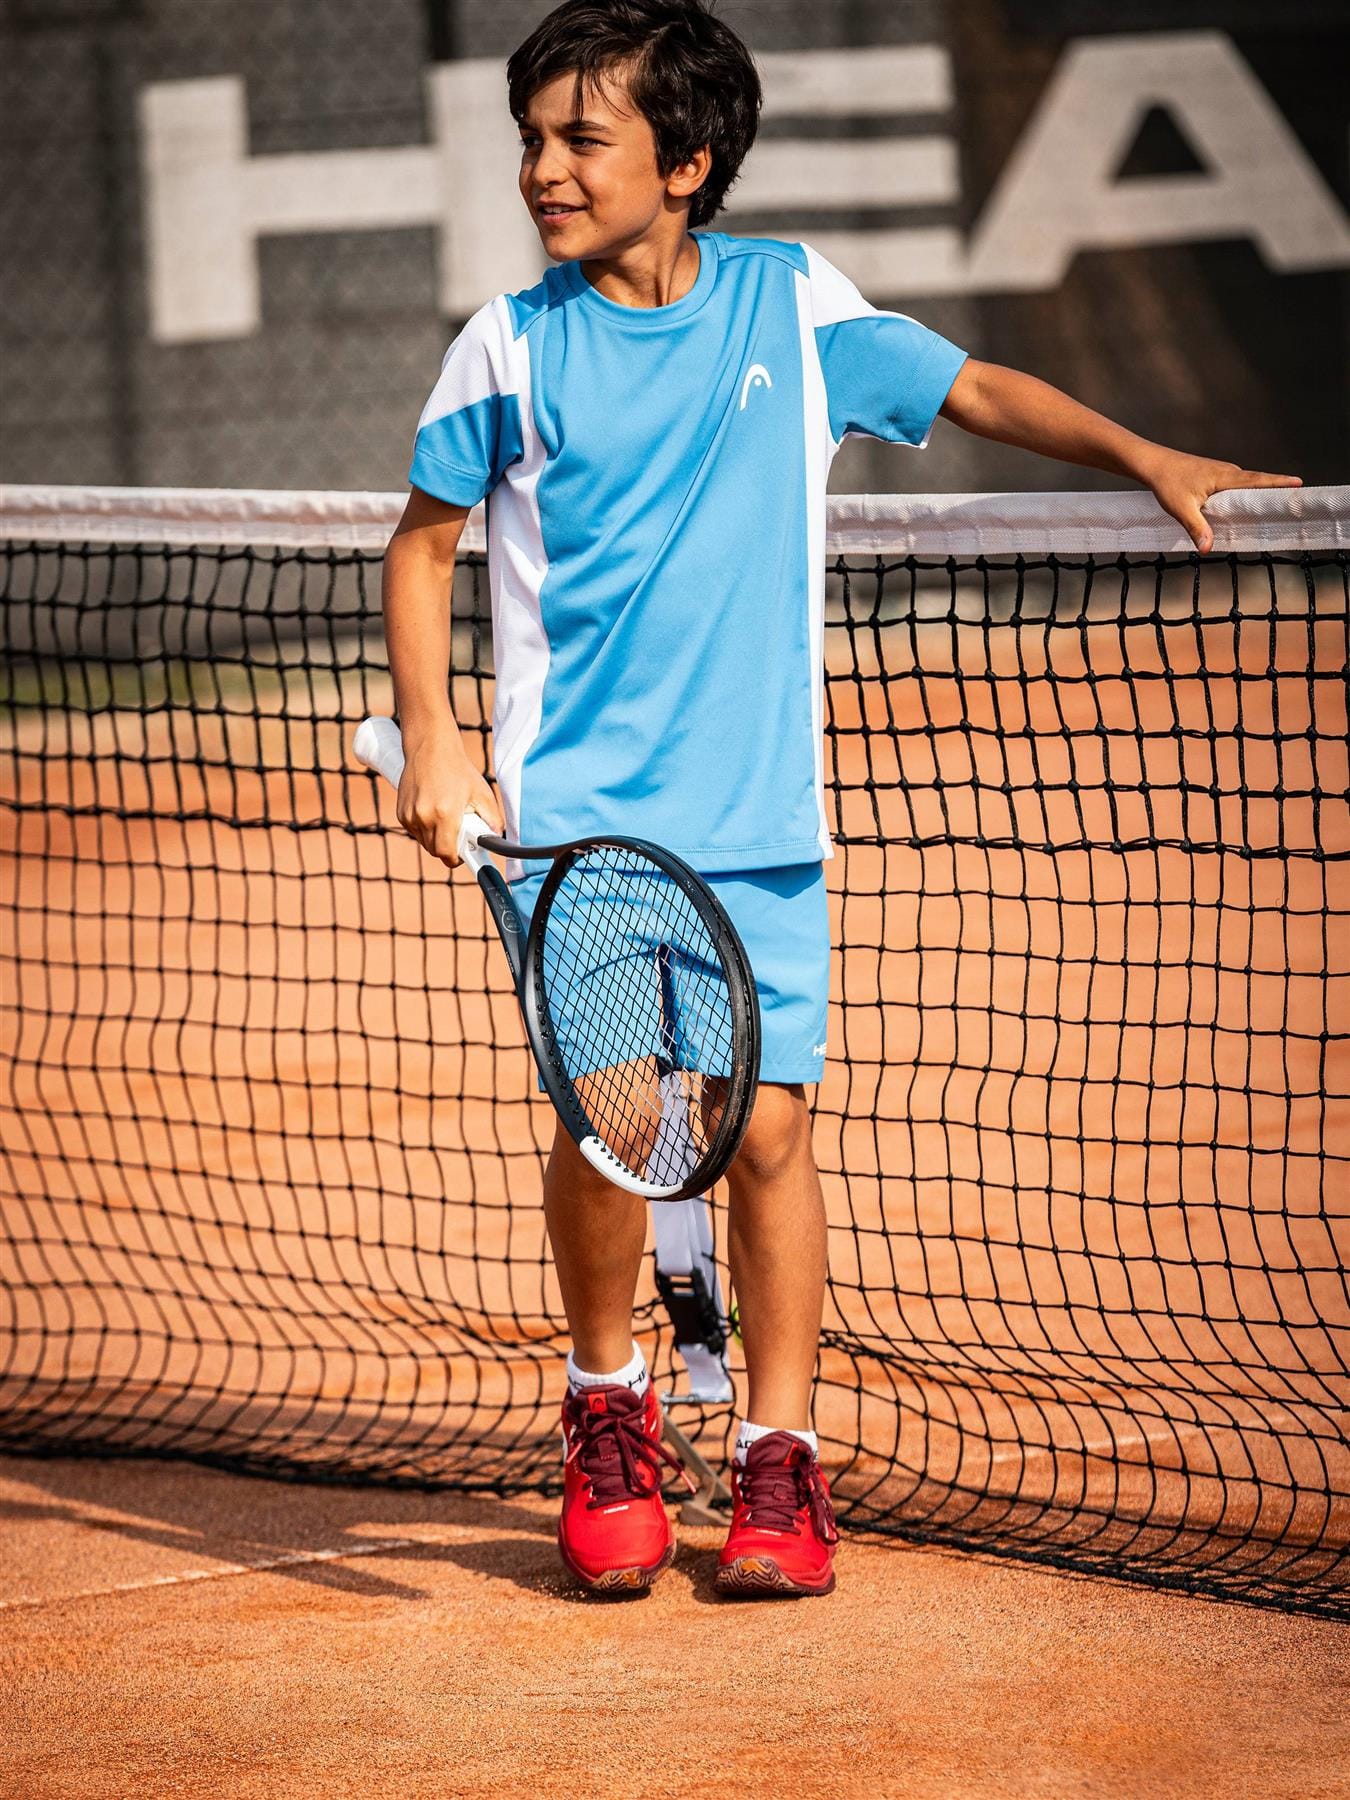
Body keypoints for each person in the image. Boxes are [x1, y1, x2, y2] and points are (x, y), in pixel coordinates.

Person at [381, 0, 1298, 1599]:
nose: (540, 166)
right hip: (572, 819)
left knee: (767, 1138)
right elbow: (423, 544)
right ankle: (608, 1411)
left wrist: (1144, 452)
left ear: (688, 159)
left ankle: (777, 1462)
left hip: (760, 821)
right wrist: (434, 740)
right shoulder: (507, 342)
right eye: (529, 137)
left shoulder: (791, 303)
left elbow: (974, 390)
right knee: (613, 1133)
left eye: (577, 138)